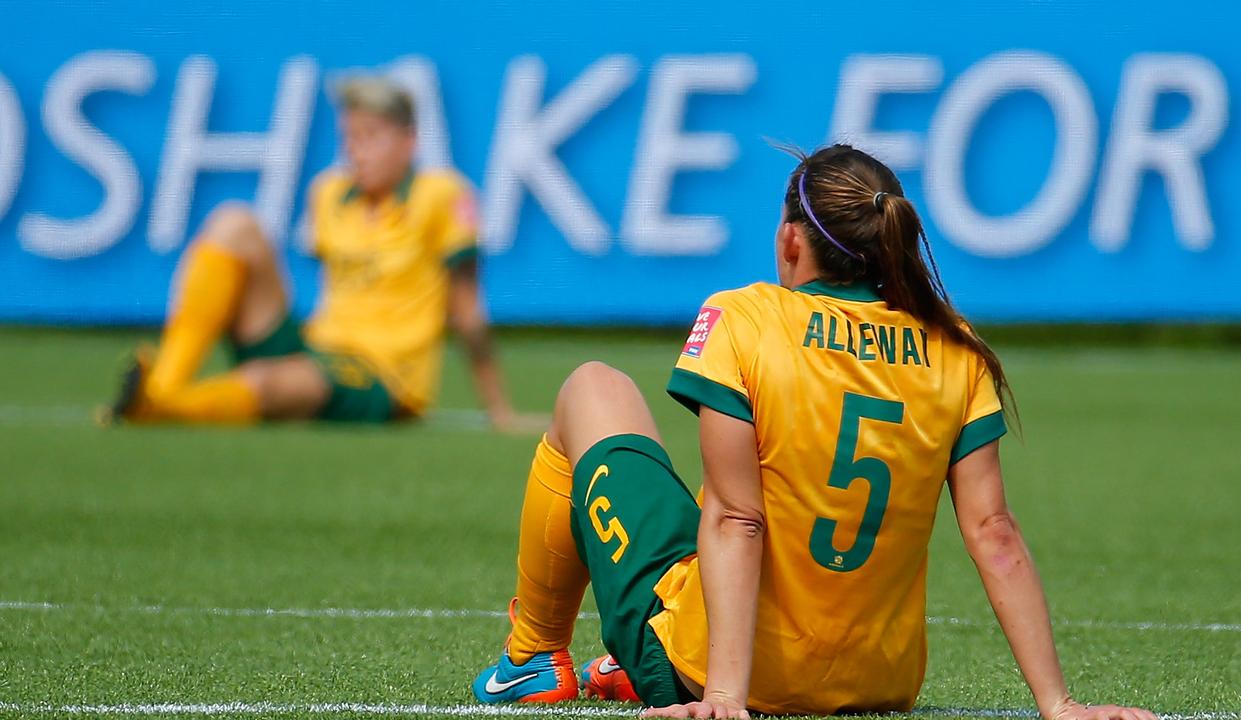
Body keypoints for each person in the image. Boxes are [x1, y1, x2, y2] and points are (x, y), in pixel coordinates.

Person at [469, 145, 1159, 719]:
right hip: (876, 690)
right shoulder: (956, 346)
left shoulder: (744, 317)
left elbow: (738, 519)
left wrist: (723, 697)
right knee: (696, 535)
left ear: (791, 237)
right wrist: (1059, 705)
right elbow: (994, 533)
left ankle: (533, 657)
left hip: (717, 676)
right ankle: (621, 665)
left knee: (593, 386)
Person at [102, 77, 528, 429]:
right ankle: (163, 387)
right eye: (349, 138)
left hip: (382, 376)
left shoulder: (443, 195)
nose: (356, 152)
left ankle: (162, 409)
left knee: (266, 381)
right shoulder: (328, 193)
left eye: (370, 137)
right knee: (235, 223)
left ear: (409, 140)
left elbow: (467, 311)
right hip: (318, 348)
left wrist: (500, 411)